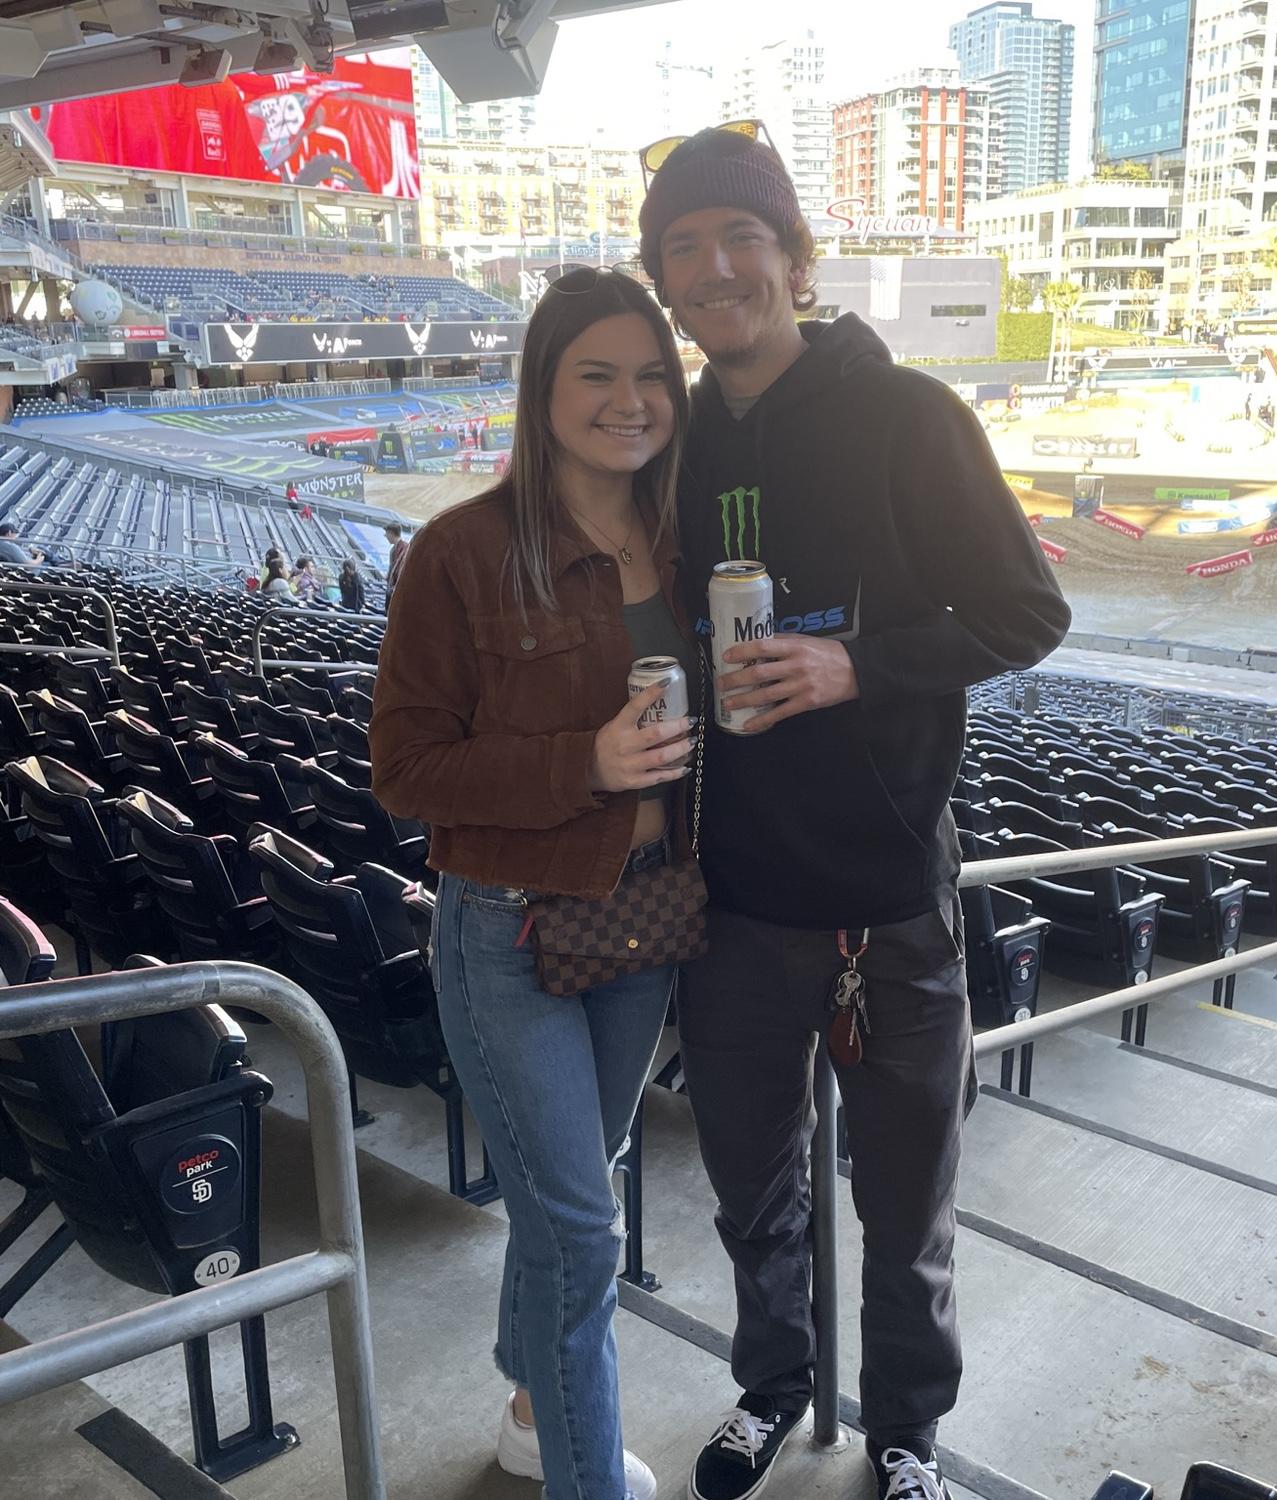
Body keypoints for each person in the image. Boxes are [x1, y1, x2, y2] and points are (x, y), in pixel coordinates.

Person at [638, 127, 1071, 1500]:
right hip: (731, 908)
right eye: (683, 248)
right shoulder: (671, 442)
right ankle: (772, 1390)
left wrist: (855, 665)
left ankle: (905, 1435)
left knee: (905, 1210)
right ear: (663, 281)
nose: (715, 269)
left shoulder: (910, 416)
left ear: (795, 256)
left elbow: (1029, 612)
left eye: (740, 237)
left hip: (889, 903)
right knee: (751, 1195)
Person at [369, 268, 694, 1500]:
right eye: (596, 375)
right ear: (543, 391)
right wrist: (585, 763)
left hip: (646, 919)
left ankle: (526, 1405)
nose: (629, 399)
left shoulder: (691, 540)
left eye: (651, 375)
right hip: (508, 934)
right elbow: (404, 769)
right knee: (581, 1233)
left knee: (571, 1207)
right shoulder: (459, 552)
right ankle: (580, 1476)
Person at [383, 522, 410, 598]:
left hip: (397, 589)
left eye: (386, 533)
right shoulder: (393, 549)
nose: (385, 535)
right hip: (393, 587)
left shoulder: (404, 548)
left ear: (391, 533)